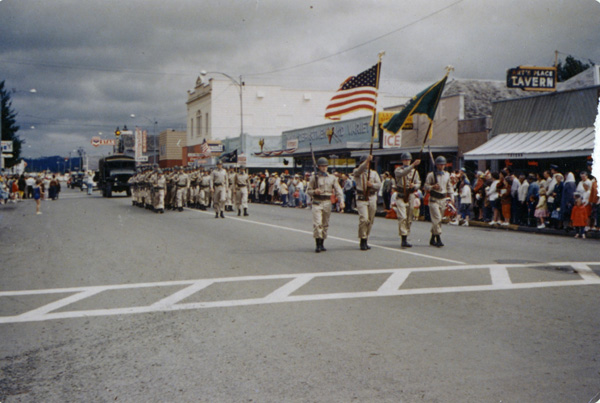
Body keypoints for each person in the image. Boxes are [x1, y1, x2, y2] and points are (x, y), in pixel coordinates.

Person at [306, 157, 344, 253]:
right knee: (317, 224)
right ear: (318, 167)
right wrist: (315, 191)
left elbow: (338, 190)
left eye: (325, 166)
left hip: (327, 201)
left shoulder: (332, 178)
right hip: (317, 202)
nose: (324, 168)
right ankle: (317, 244)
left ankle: (322, 243)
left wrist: (341, 201)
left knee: (325, 224)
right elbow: (308, 191)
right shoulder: (314, 177)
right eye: (322, 166)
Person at [352, 154, 381, 251]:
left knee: (370, 220)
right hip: (361, 197)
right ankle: (362, 239)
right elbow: (359, 170)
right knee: (364, 219)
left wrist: (372, 184)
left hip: (372, 197)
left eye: (368, 163)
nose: (367, 165)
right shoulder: (357, 172)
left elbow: (379, 185)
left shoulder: (374, 173)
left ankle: (366, 237)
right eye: (365, 163)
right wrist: (366, 161)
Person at [393, 152, 421, 248]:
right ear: (402, 161)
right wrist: (413, 165)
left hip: (410, 195)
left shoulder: (414, 172)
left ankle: (406, 235)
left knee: (409, 217)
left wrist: (415, 186)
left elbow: (418, 182)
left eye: (409, 160)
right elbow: (404, 173)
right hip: (401, 195)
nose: (407, 161)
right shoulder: (398, 170)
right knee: (402, 217)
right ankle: (403, 238)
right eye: (405, 160)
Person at [424, 155, 453, 247]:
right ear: (436, 165)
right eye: (440, 165)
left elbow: (449, 186)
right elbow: (425, 186)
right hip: (434, 199)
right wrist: (432, 187)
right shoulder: (431, 175)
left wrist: (451, 196)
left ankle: (432, 237)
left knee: (439, 220)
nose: (441, 166)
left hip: (443, 199)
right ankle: (438, 238)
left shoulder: (447, 175)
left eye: (443, 165)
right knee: (437, 219)